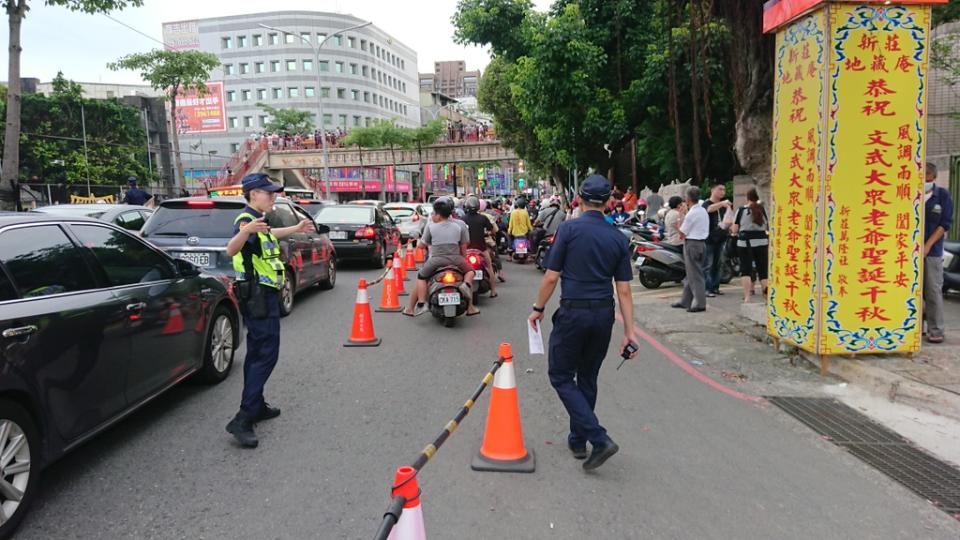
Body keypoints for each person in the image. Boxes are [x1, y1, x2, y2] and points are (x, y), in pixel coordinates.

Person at [528, 174, 637, 471]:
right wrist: (629, 332)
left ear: (580, 198)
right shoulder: (618, 237)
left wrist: (538, 308)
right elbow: (624, 290)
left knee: (561, 375)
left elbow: (552, 276)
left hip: (573, 313)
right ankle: (578, 439)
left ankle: (598, 438)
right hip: (603, 314)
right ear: (609, 202)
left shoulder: (569, 230)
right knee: (587, 377)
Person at [224, 173, 316, 448]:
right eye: (269, 192)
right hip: (258, 296)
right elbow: (231, 249)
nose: (273, 196)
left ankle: (257, 404)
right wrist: (245, 231)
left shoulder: (258, 221)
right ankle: (243, 417)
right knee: (266, 355)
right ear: (254, 194)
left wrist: (296, 227)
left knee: (257, 354)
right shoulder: (245, 220)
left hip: (262, 295)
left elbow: (269, 234)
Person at [403, 197, 480, 316]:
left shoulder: (431, 226)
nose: (432, 216)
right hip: (456, 259)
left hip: (435, 260)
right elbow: (464, 245)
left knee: (421, 277)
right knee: (470, 272)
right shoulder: (459, 225)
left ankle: (421, 304)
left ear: (439, 215)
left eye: (433, 213)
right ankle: (468, 295)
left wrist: (420, 242)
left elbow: (421, 246)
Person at [924, 163, 953, 343]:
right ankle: (914, 327)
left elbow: (944, 224)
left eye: (926, 175)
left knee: (933, 289)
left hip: (932, 252)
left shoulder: (942, 195)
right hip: (908, 252)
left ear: (933, 177)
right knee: (912, 291)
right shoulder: (911, 193)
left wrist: (927, 245)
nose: (923, 178)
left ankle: (936, 330)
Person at [672, 186, 709, 312]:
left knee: (695, 275)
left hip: (692, 244)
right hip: (702, 243)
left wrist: (679, 218)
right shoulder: (703, 211)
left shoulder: (691, 214)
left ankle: (700, 303)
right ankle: (685, 300)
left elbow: (682, 232)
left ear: (687, 199)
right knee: (691, 273)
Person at [730, 188, 769, 303]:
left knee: (745, 270)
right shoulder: (763, 210)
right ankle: (767, 297)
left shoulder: (741, 210)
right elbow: (768, 226)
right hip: (762, 242)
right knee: (763, 272)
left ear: (748, 197)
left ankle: (747, 297)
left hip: (745, 244)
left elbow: (735, 229)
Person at [462, 195, 498, 298]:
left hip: (466, 250)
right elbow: (494, 230)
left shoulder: (462, 219)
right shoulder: (483, 218)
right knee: (489, 267)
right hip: (481, 249)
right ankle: (493, 291)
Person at [702, 183, 733, 297]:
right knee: (708, 265)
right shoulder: (706, 203)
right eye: (720, 189)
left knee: (718, 264)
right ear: (712, 190)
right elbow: (709, 209)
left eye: (724, 190)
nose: (722, 192)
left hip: (721, 238)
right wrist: (722, 204)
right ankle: (706, 288)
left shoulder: (724, 206)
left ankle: (715, 287)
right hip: (709, 239)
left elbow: (728, 219)